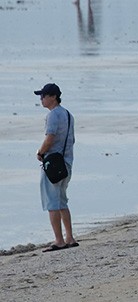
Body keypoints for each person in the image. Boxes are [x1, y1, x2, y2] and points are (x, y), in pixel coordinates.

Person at [34, 83, 78, 252]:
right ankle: (70, 237)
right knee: (62, 200)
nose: (41, 99)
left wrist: (40, 152)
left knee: (52, 202)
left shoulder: (52, 115)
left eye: (43, 96)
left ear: (53, 97)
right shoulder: (68, 114)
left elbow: (50, 138)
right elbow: (72, 139)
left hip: (52, 164)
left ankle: (59, 240)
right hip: (66, 163)